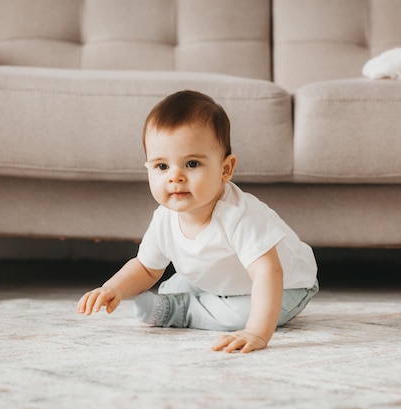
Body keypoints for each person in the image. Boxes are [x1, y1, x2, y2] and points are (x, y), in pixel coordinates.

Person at [77, 90, 318, 353]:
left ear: (225, 169)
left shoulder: (240, 214)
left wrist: (256, 332)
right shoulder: (164, 218)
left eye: (192, 164)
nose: (175, 177)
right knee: (180, 280)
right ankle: (184, 298)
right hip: (222, 275)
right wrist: (114, 288)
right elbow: (146, 269)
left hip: (287, 285)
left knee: (238, 313)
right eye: (161, 167)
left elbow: (268, 272)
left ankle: (184, 311)